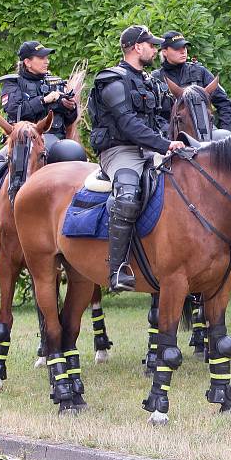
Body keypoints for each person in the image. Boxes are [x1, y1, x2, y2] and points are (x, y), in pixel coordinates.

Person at [88, 25, 185, 291]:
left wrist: (175, 142)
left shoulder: (150, 81)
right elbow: (128, 124)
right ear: (135, 47)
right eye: (151, 45)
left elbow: (161, 119)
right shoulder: (111, 80)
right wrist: (164, 144)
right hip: (120, 151)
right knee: (128, 195)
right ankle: (117, 269)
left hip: (151, 149)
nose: (155, 49)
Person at [0, 41, 79, 252]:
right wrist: (44, 100)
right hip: (20, 140)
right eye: (41, 57)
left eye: (46, 57)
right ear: (27, 62)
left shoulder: (56, 82)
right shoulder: (12, 84)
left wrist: (69, 106)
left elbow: (69, 117)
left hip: (53, 138)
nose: (46, 61)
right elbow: (16, 111)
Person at [151, 31, 231, 134]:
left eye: (184, 47)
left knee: (224, 135)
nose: (183, 51)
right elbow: (151, 115)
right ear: (164, 52)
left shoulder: (199, 71)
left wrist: (225, 130)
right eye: (177, 48)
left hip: (204, 133)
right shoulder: (155, 78)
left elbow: (224, 103)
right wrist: (169, 134)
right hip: (169, 137)